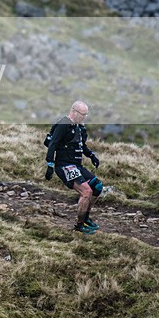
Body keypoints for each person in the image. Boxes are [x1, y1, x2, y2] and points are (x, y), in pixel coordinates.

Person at [44, 100, 103, 234]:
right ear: (74, 112)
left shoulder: (78, 127)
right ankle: (79, 226)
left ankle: (86, 218)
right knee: (86, 192)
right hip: (65, 165)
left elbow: (81, 146)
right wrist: (50, 164)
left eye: (86, 115)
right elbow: (52, 144)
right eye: (83, 114)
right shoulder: (63, 124)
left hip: (77, 165)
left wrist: (92, 156)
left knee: (97, 187)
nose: (84, 118)